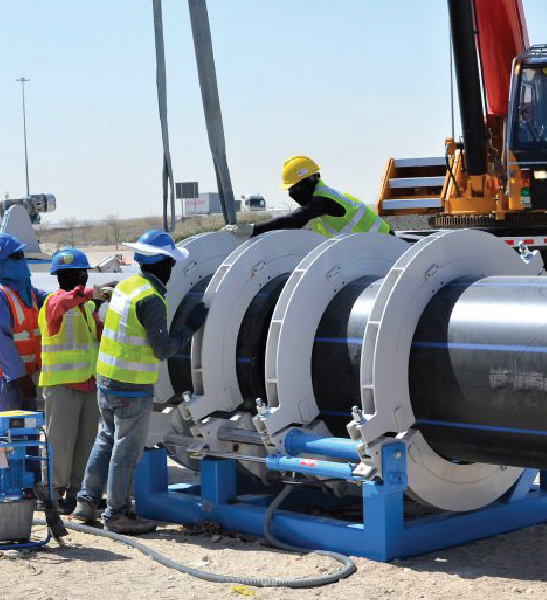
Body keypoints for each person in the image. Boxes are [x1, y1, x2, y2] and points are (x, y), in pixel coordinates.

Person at [72, 231, 207, 534]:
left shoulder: (127, 286)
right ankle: (117, 514)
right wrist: (190, 327)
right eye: (170, 263)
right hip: (131, 387)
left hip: (107, 379)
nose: (172, 269)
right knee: (125, 451)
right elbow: (163, 350)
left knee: (105, 439)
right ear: (162, 265)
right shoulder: (151, 298)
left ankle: (86, 505)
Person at [38, 248, 113, 515]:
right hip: (62, 386)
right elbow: (61, 305)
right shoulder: (53, 302)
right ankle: (53, 493)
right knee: (60, 441)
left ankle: (79, 492)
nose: (84, 277)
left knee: (86, 442)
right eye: (80, 273)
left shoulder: (86, 308)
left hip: (88, 383)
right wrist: (93, 293)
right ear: (66, 275)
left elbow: (96, 338)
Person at [223, 156, 391, 238]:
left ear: (309, 181)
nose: (291, 194)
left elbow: (295, 219)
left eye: (294, 188)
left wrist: (253, 229)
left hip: (385, 246)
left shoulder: (324, 200)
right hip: (370, 248)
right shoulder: (319, 198)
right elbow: (297, 221)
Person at [0, 233, 46, 411]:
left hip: (27, 377)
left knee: (28, 431)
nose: (22, 261)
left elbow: (52, 299)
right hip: (9, 380)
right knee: (8, 434)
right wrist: (20, 376)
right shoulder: (2, 294)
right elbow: (2, 342)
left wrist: (83, 295)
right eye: (15, 257)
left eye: (22, 256)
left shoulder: (27, 290)